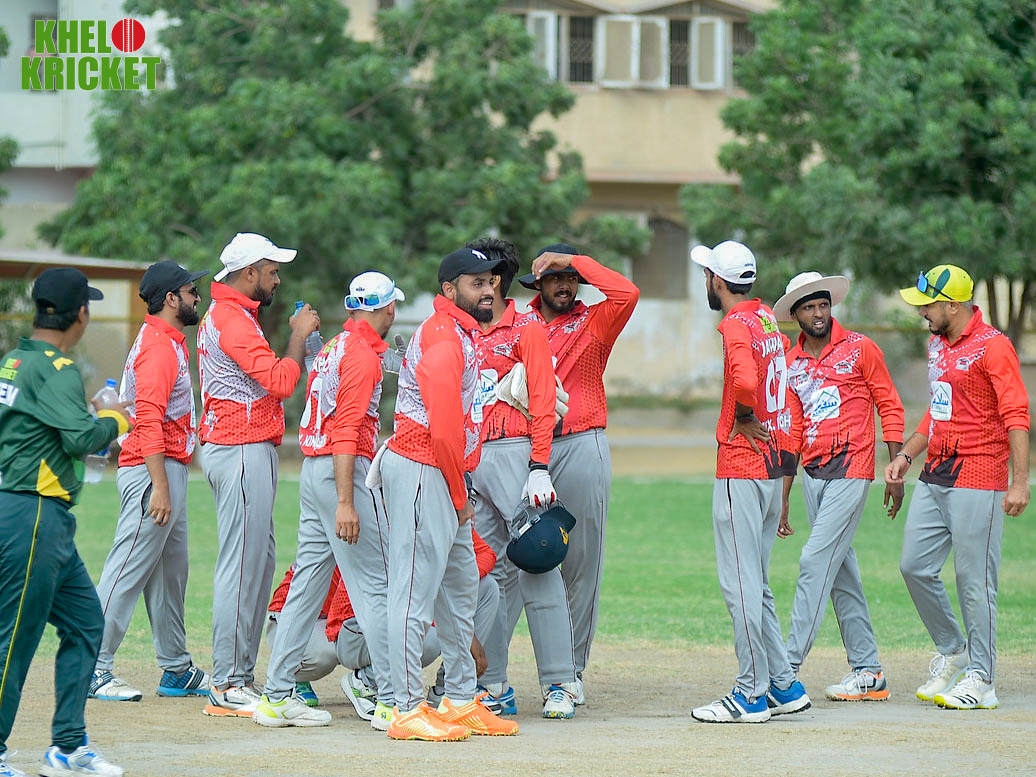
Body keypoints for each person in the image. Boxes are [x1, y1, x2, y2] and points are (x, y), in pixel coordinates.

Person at [253, 271, 404, 729]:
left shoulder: (338, 345)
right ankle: (392, 701)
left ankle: (276, 694)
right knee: (374, 585)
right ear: (388, 307)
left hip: (313, 468)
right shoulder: (360, 355)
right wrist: (346, 500)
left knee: (307, 584)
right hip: (342, 471)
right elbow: (347, 431)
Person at [379, 247, 518, 740]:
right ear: (448, 289)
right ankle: (404, 708)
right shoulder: (443, 336)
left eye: (491, 282)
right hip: (424, 470)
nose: (488, 290)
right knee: (413, 593)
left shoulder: (462, 332)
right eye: (476, 282)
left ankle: (459, 698)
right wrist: (461, 498)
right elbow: (441, 431)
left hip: (445, 473)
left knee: (461, 590)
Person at [0, 268, 133, 777]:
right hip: (33, 514)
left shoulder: (16, 360)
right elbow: (81, 439)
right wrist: (115, 416)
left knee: (85, 623)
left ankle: (68, 747)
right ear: (81, 314)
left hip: (37, 514)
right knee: (15, 637)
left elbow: (52, 430)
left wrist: (85, 419)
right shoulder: (57, 368)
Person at [886, 264, 1029, 710]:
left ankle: (982, 678)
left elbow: (1016, 414)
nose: (922, 312)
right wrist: (906, 455)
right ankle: (955, 649)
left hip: (980, 474)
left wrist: (1019, 482)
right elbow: (938, 409)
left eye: (928, 305)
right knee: (914, 566)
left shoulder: (994, 346)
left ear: (952, 305)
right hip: (936, 472)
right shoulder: (937, 344)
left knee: (974, 581)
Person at [197, 232, 319, 717]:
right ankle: (227, 682)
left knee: (256, 564)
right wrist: (298, 335)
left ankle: (239, 676)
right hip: (240, 449)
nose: (277, 279)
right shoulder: (232, 318)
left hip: (242, 448)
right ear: (249, 273)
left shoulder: (231, 314)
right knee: (242, 567)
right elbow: (282, 381)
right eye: (271, 271)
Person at [687, 241, 810, 724]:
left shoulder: (737, 323)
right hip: (770, 463)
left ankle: (750, 693)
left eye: (707, 275)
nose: (706, 281)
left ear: (718, 281)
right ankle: (783, 684)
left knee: (739, 584)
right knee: (755, 583)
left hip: (742, 464)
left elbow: (742, 380)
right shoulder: (766, 319)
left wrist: (741, 415)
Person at [774, 272, 904, 701]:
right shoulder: (791, 363)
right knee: (840, 573)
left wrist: (895, 466)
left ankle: (784, 671)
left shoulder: (860, 348)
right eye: (809, 308)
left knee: (814, 561)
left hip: (852, 469)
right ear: (796, 314)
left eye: (823, 305)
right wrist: (784, 495)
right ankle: (868, 671)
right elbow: (792, 432)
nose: (818, 314)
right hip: (812, 475)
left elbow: (889, 404)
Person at [518, 243, 639, 702]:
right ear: (538, 283)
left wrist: (573, 261)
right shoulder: (519, 324)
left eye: (571, 278)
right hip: (526, 449)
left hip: (582, 444)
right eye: (555, 277)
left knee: (581, 564)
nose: (565, 284)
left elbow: (627, 293)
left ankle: (569, 675)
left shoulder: (595, 321)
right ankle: (484, 677)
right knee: (518, 559)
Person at [464, 237, 578, 719]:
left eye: (481, 280)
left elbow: (544, 401)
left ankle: (560, 682)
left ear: (496, 282)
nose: (476, 288)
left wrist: (538, 466)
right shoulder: (462, 329)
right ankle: (491, 683)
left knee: (538, 561)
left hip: (515, 455)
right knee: (483, 573)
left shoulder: (527, 328)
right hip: (472, 461)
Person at [90, 261, 212, 703]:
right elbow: (148, 422)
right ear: (170, 299)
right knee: (126, 570)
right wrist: (159, 486)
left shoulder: (167, 341)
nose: (197, 296)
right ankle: (91, 666)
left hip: (164, 469)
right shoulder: (159, 347)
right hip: (150, 470)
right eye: (190, 290)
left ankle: (175, 667)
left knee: (169, 574)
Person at [265, 524, 499, 718]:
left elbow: (486, 553)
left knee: (484, 588)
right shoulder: (379, 518)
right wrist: (458, 626)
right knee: (423, 636)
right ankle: (359, 682)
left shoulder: (431, 512)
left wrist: (448, 585)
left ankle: (448, 689)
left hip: (342, 618)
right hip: (308, 622)